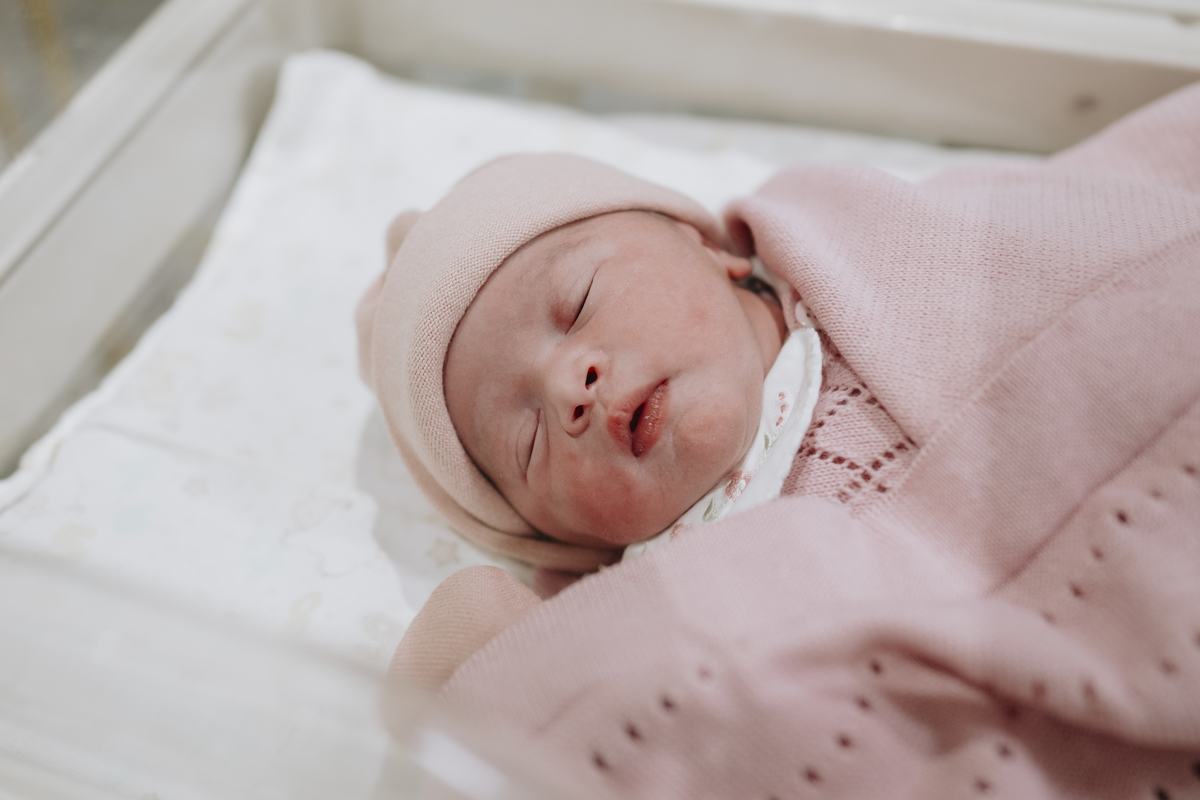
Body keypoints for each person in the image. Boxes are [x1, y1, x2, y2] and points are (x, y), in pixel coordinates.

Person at [357, 81, 1200, 798]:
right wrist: (484, 649)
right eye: (528, 439)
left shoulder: (885, 260)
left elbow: (1134, 196)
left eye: (578, 302)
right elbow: (495, 723)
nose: (569, 386)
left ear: (711, 252)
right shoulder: (653, 594)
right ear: (558, 537)